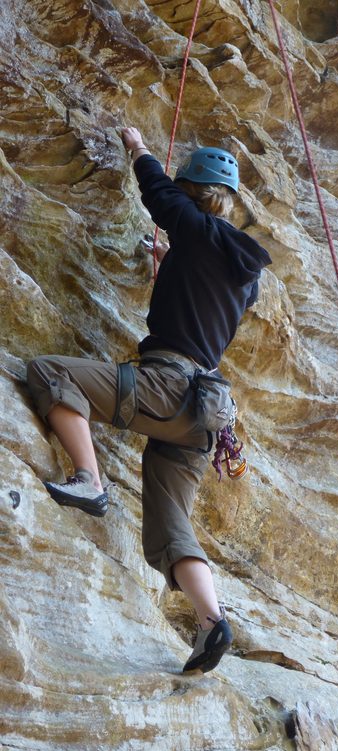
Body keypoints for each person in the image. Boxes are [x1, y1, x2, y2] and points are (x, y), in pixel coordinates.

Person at [27, 127, 271, 675]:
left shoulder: (197, 226)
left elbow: (158, 197)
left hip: (167, 385)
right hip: (205, 416)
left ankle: (88, 479)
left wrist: (137, 148)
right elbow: (200, 286)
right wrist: (168, 256)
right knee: (170, 526)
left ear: (193, 192)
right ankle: (212, 621)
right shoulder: (239, 269)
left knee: (49, 372)